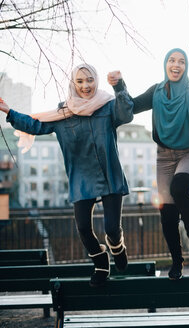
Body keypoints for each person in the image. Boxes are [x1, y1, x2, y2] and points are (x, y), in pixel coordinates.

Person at [107, 48, 189, 280]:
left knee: (179, 187)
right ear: (166, 64)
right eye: (172, 61)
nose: (176, 65)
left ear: (186, 67)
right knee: (167, 214)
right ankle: (177, 262)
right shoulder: (155, 92)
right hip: (164, 158)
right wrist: (119, 85)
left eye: (182, 62)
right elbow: (130, 107)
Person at [0, 64, 133, 287]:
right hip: (82, 179)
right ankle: (101, 263)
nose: (85, 85)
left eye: (89, 80)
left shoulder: (108, 106)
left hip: (109, 175)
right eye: (80, 81)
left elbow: (126, 113)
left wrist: (119, 86)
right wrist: (9, 111)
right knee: (83, 228)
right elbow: (36, 125)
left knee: (111, 228)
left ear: (96, 80)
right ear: (73, 84)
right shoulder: (64, 113)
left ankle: (117, 246)